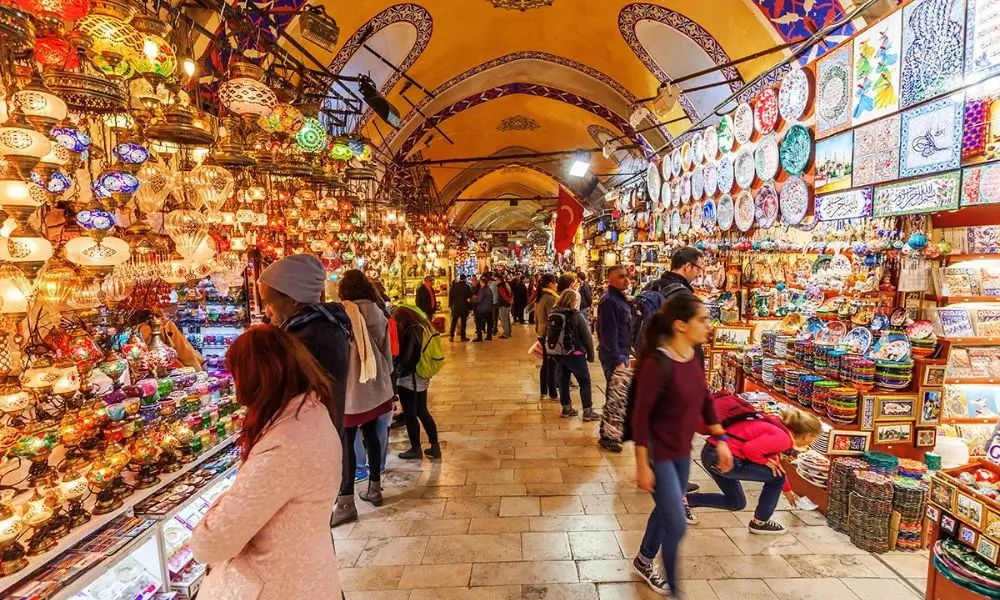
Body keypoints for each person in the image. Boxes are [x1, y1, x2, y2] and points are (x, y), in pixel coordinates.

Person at [190, 325, 341, 600]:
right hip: (304, 574)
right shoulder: (309, 414)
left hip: (278, 584)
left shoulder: (284, 445)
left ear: (257, 378)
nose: (236, 390)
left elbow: (211, 543)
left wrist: (220, 504)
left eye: (237, 376)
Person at [631, 293, 733, 597]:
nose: (708, 325)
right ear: (680, 325)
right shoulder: (657, 364)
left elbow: (704, 399)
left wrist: (722, 439)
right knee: (676, 525)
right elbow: (639, 417)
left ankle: (643, 559)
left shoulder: (693, 354)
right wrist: (641, 465)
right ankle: (676, 589)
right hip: (658, 455)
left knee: (667, 511)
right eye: (702, 320)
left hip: (681, 454)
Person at [688, 402, 822, 535]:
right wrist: (763, 461)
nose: (811, 442)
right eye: (813, 438)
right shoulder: (783, 439)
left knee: (736, 503)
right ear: (807, 435)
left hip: (712, 453)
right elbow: (750, 449)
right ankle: (760, 523)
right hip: (724, 458)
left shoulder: (777, 425)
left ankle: (685, 501)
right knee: (776, 478)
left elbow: (774, 461)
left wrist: (787, 490)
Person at [258, 254, 351, 431]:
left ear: (294, 299)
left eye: (269, 302)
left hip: (313, 442)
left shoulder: (311, 338)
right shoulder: (319, 326)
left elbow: (286, 396)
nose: (267, 312)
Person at [331, 270, 395, 526]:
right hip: (375, 384)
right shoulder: (377, 312)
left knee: (347, 441)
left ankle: (346, 501)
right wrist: (387, 376)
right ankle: (375, 488)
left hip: (351, 387)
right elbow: (385, 347)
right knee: (372, 435)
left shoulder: (341, 313)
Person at [392, 305, 441, 459]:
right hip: (422, 376)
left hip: (409, 379)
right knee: (422, 411)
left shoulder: (411, 331)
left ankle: (415, 448)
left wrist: (396, 370)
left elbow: (407, 358)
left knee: (410, 415)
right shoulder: (424, 327)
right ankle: (435, 446)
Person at [596, 265, 632, 452]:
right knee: (615, 396)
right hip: (615, 356)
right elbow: (607, 333)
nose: (626, 280)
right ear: (610, 280)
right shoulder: (609, 301)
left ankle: (610, 433)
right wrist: (617, 359)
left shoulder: (618, 299)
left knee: (617, 395)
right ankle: (608, 437)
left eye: (627, 276)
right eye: (621, 277)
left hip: (621, 352)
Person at [548, 289, 598, 420]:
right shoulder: (574, 315)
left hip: (559, 353)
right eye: (575, 300)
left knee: (563, 381)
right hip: (575, 353)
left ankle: (566, 409)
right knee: (584, 381)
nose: (576, 303)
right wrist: (591, 355)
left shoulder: (553, 312)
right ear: (571, 300)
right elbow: (586, 336)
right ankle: (588, 412)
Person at [131, 309, 204, 370]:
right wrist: (199, 372)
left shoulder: (129, 332)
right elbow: (185, 353)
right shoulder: (165, 325)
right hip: (173, 372)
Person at [534, 273, 560, 401]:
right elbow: (553, 319)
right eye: (555, 283)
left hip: (541, 332)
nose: (557, 285)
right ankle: (553, 393)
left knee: (547, 363)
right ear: (550, 284)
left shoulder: (541, 297)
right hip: (548, 334)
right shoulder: (550, 299)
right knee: (551, 364)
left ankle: (544, 391)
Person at [448, 274, 471, 342]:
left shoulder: (454, 286)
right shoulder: (467, 287)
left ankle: (451, 336)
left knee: (454, 322)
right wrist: (470, 308)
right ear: (465, 279)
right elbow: (468, 298)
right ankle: (463, 337)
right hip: (464, 307)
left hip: (455, 307)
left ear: (459, 278)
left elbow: (451, 296)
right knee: (463, 323)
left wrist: (450, 305)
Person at [473, 274, 494, 342]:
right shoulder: (489, 289)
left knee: (479, 324)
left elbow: (479, 300)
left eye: (480, 281)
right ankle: (489, 336)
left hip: (482, 309)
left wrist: (471, 300)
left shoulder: (482, 290)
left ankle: (479, 337)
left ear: (482, 282)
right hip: (489, 309)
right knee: (489, 323)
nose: (479, 282)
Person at [497, 275, 513, 339]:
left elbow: (504, 296)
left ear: (499, 280)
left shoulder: (501, 287)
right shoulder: (506, 285)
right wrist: (511, 301)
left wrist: (509, 301)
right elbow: (511, 293)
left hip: (504, 305)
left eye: (496, 280)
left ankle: (506, 334)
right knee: (507, 319)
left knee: (504, 320)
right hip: (508, 305)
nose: (496, 281)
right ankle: (509, 332)